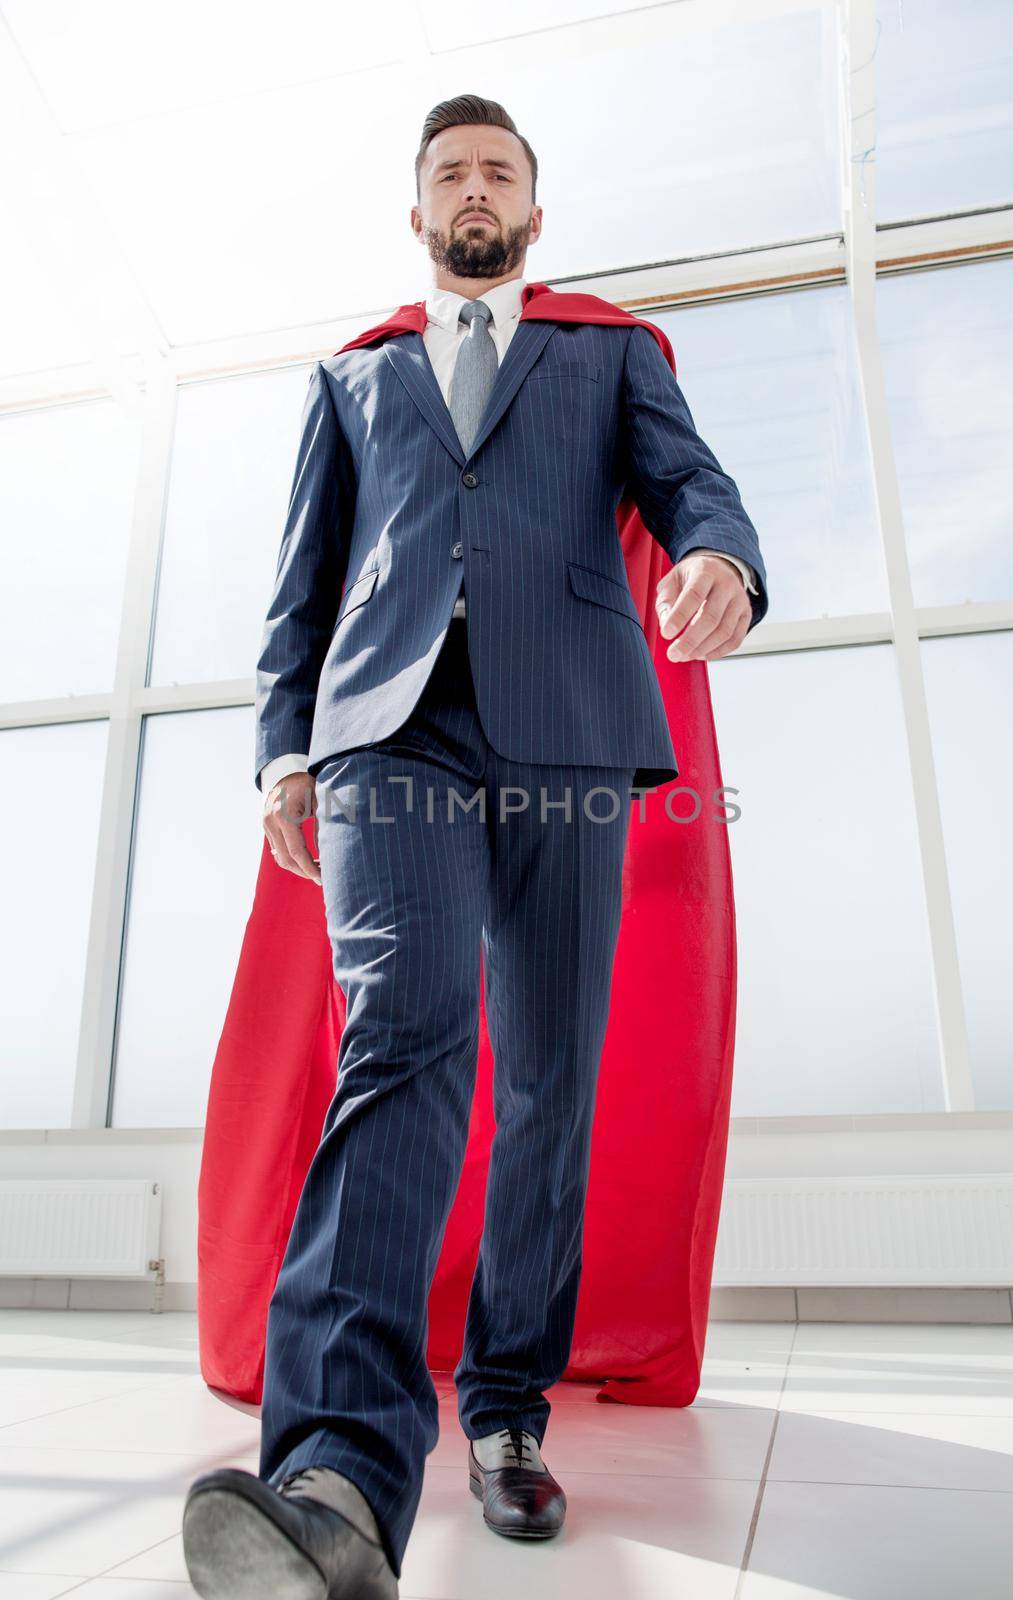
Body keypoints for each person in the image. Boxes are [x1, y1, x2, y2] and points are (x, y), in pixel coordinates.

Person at [182, 93, 768, 1600]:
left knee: (547, 1079)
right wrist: (282, 751)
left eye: (498, 170)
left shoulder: (607, 353)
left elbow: (686, 485)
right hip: (388, 739)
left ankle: (506, 1409)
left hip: (566, 728)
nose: (474, 188)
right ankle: (331, 1478)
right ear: (417, 210)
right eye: (449, 171)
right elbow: (301, 586)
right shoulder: (352, 374)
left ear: (532, 211)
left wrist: (716, 554)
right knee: (404, 1038)